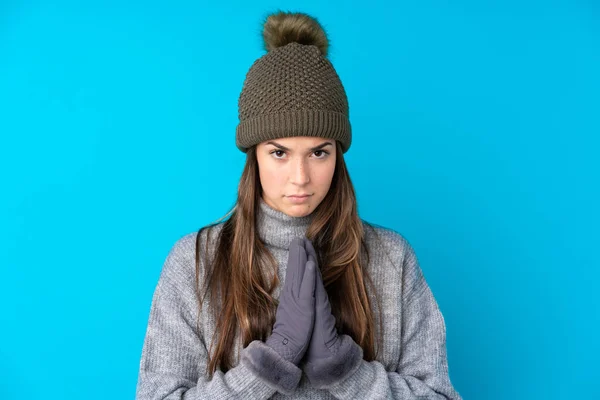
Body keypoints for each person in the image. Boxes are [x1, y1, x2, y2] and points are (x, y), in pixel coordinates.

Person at [136, 10, 462, 400]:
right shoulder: (195, 260)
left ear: (338, 155)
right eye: (279, 153)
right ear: (253, 154)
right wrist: (269, 364)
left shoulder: (391, 259)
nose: (300, 177)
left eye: (319, 153)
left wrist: (345, 370)